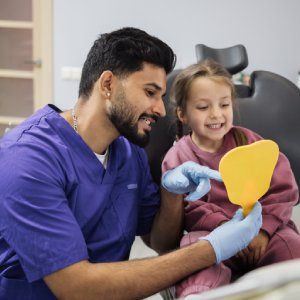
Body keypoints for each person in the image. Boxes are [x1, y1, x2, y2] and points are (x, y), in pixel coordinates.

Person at [0, 28, 262, 300]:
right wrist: (210, 249)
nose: (161, 110)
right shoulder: (26, 160)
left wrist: (171, 193)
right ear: (108, 85)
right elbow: (77, 287)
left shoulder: (127, 150)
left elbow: (159, 242)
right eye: (150, 92)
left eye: (162, 97)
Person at [161, 59, 300, 298]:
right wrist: (225, 228)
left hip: (261, 236)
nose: (216, 114)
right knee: (191, 251)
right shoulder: (178, 158)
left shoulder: (252, 143)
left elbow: (281, 191)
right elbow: (189, 207)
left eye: (224, 104)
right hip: (213, 239)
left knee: (290, 244)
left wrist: (263, 230)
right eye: (203, 107)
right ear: (183, 114)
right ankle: (200, 294)